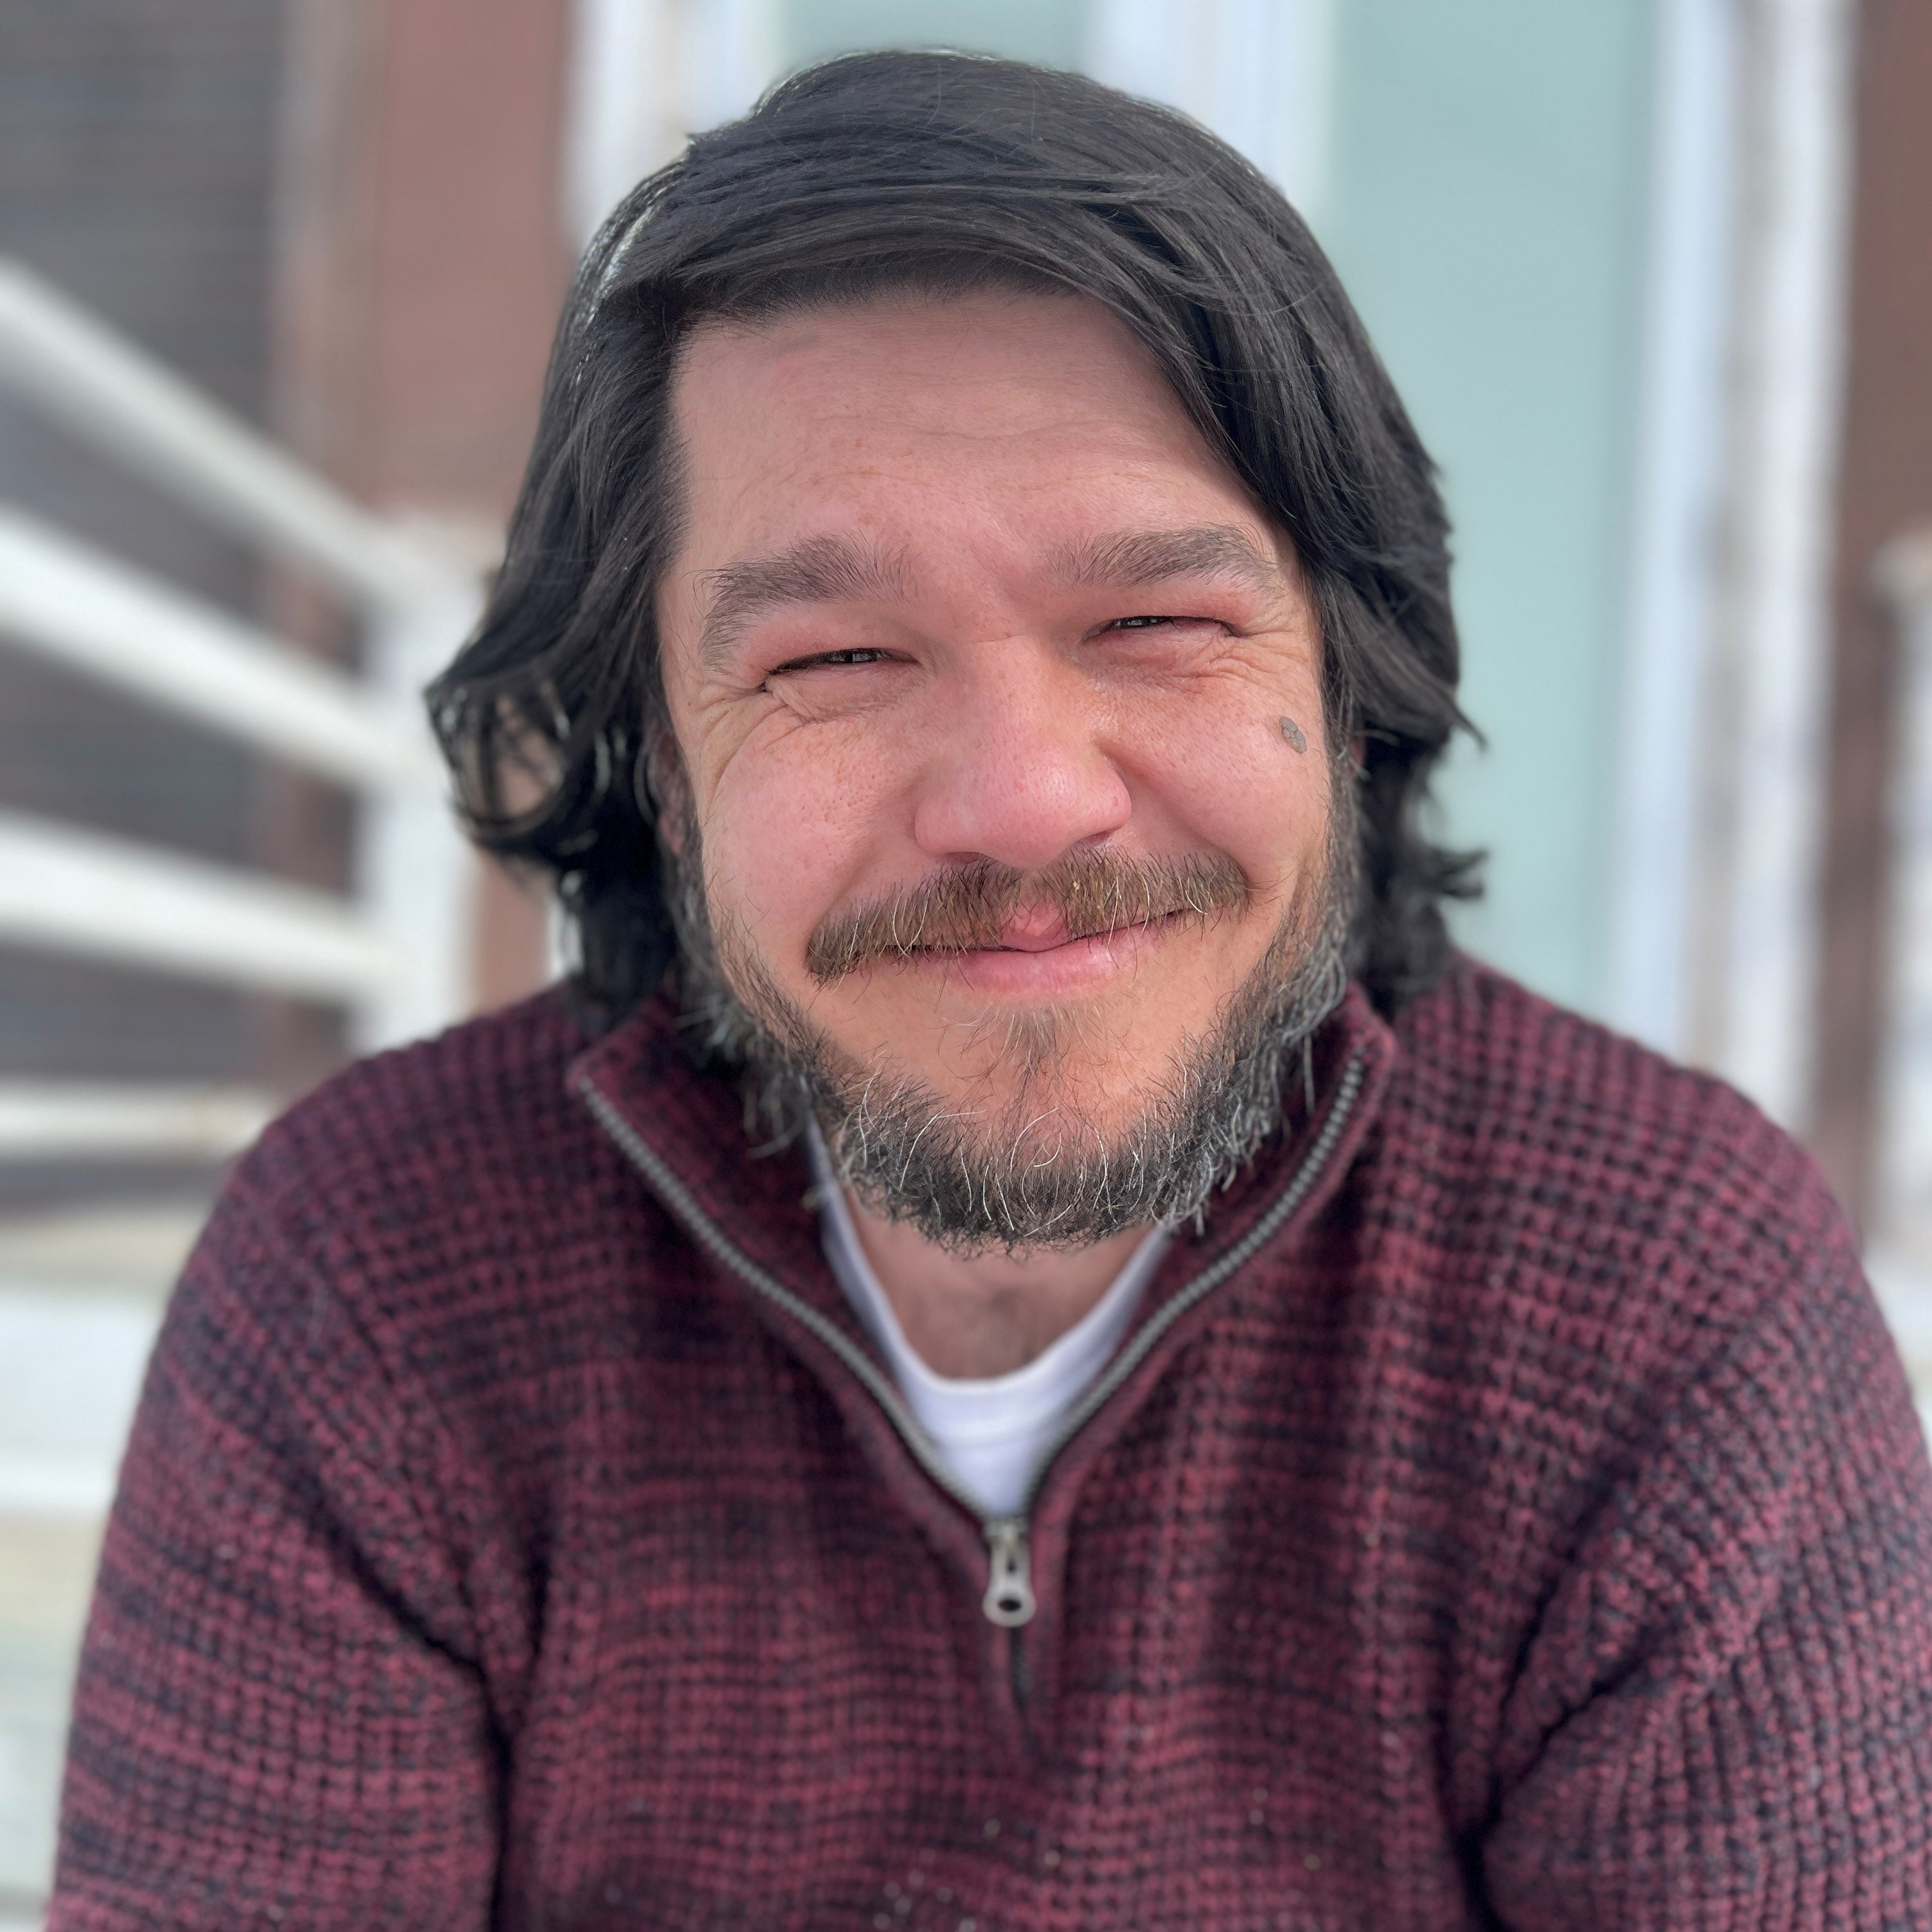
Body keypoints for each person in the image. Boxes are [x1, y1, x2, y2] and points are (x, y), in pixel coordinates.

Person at [49, 50, 1932, 1932]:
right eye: (841, 656)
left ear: (1351, 682)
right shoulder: (372, 1279)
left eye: (1161, 627)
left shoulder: (1667, 1301)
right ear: (661, 767)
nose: (1026, 798)